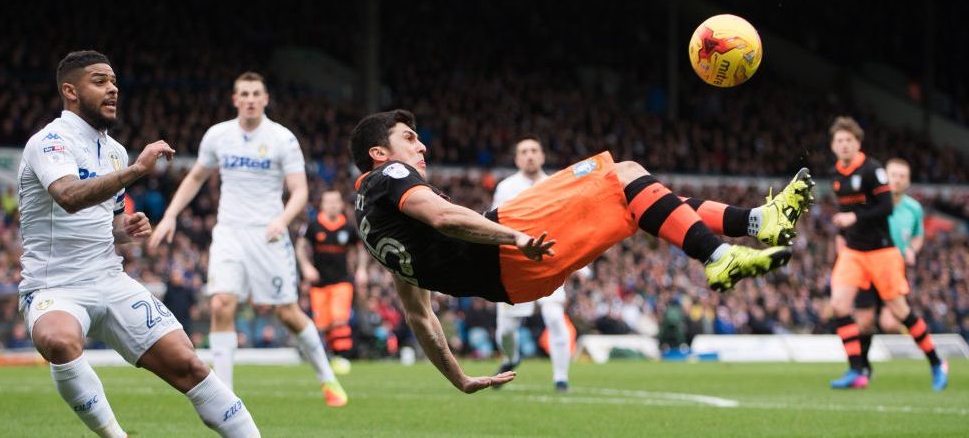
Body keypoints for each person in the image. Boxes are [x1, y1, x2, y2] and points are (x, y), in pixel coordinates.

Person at [349, 109, 813, 393]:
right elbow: (444, 216)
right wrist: (516, 238)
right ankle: (720, 256)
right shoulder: (388, 177)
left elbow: (419, 316)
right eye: (409, 137)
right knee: (624, 173)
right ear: (378, 153)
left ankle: (756, 222)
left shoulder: (371, 224)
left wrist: (460, 379)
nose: (421, 144)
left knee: (635, 202)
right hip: (513, 243)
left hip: (515, 281)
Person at [18, 50, 259, 437]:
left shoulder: (114, 151)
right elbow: (68, 196)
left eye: (114, 82)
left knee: (190, 366)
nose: (113, 88)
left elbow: (104, 221)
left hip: (110, 281)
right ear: (70, 90)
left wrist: (124, 230)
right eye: (99, 81)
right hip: (55, 285)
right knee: (59, 340)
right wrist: (137, 171)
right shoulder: (48, 142)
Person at [149, 72, 347, 407]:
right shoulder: (218, 135)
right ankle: (224, 395)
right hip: (228, 232)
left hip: (268, 235)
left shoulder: (282, 139)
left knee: (287, 313)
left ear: (266, 99)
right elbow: (196, 176)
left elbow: (300, 191)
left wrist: (282, 220)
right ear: (235, 99)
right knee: (221, 303)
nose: (251, 99)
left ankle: (327, 378)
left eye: (257, 93)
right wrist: (169, 215)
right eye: (245, 93)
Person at [826, 117, 947, 391]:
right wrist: (843, 234)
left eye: (849, 140)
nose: (844, 145)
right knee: (840, 306)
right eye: (839, 141)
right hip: (854, 252)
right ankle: (857, 370)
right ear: (833, 146)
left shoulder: (872, 170)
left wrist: (852, 218)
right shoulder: (836, 175)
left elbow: (885, 209)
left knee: (900, 312)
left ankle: (937, 362)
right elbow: (848, 216)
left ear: (858, 143)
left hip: (882, 252)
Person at [490, 136, 574, 392]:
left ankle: (561, 378)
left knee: (554, 316)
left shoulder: (556, 184)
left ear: (542, 156)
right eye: (524, 151)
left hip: (550, 260)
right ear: (517, 159)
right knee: (506, 330)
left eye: (534, 150)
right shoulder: (506, 187)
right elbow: (495, 224)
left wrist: (578, 262)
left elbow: (568, 223)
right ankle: (511, 357)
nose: (529, 155)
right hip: (517, 263)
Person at [851, 158, 933, 381]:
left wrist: (912, 250)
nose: (897, 180)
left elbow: (918, 235)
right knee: (864, 322)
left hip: (894, 269)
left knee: (890, 323)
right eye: (893, 175)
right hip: (869, 265)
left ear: (908, 181)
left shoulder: (913, 208)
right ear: (884, 177)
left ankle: (933, 359)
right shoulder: (872, 202)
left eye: (902, 176)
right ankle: (863, 366)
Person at [297, 189, 369, 370]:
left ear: (341, 204)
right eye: (329, 202)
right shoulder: (313, 225)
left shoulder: (348, 227)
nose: (333, 205)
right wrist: (306, 267)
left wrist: (361, 270)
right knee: (324, 323)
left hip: (342, 281)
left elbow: (361, 249)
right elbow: (300, 247)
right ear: (322, 204)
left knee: (339, 318)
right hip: (319, 283)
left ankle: (342, 357)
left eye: (336, 201)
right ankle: (332, 355)